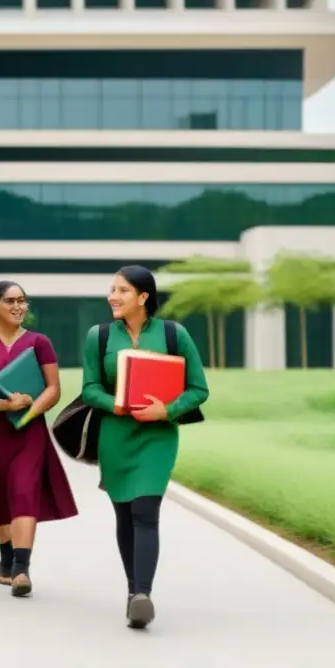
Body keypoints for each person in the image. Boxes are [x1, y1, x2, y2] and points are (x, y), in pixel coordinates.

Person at [80, 265, 209, 629]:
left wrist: (165, 410)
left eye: (121, 290)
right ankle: (133, 589)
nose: (113, 297)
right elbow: (90, 388)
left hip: (158, 437)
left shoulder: (174, 334)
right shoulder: (99, 336)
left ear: (143, 297)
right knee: (124, 514)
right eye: (112, 289)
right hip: (115, 436)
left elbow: (199, 389)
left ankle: (143, 594)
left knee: (145, 511)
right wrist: (118, 405)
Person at [0, 281, 78, 597]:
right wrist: (5, 405)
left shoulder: (39, 342)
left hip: (29, 432)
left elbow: (53, 389)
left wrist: (27, 412)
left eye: (22, 300)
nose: (18, 306)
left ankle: (21, 569)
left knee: (23, 491)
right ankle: (6, 556)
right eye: (10, 300)